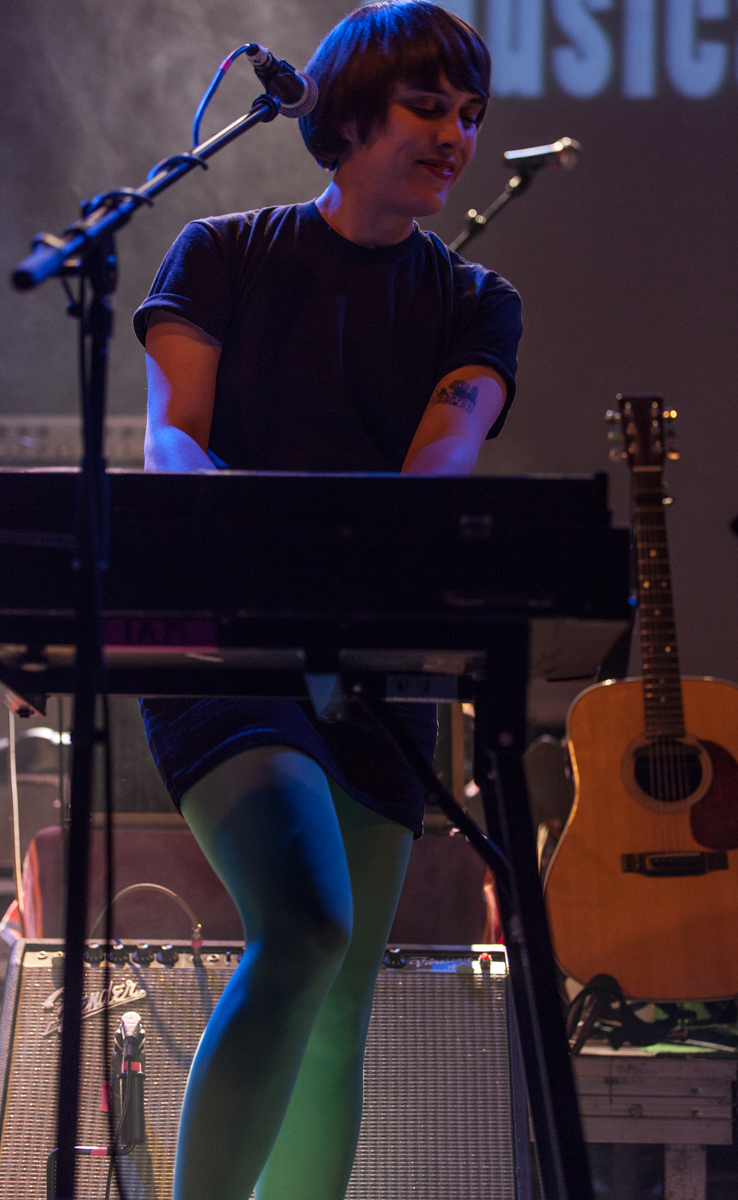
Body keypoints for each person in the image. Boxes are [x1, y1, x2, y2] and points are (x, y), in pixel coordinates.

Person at [134, 3, 522, 1197]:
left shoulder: (478, 303)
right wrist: (249, 547)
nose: (456, 136)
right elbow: (173, 444)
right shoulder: (219, 254)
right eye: (427, 107)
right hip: (224, 644)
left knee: (341, 999)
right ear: (344, 118)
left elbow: (433, 475)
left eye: (470, 114)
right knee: (304, 926)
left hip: (378, 658)